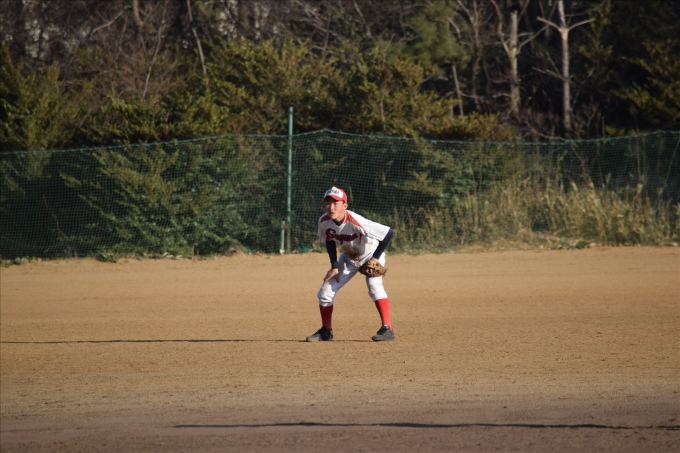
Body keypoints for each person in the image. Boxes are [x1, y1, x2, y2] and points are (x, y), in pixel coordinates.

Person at [306, 186, 395, 342]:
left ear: (345, 205)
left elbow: (388, 233)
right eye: (328, 203)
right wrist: (334, 267)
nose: (331, 207)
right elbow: (329, 241)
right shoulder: (324, 221)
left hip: (370, 254)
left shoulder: (355, 220)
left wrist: (374, 259)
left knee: (374, 286)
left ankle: (387, 329)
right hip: (348, 257)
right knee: (325, 292)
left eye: (335, 203)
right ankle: (326, 331)